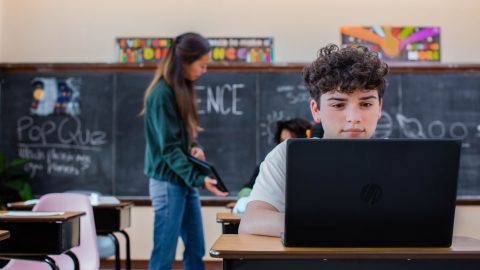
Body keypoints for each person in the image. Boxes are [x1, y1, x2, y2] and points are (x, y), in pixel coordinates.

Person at [238, 44, 389, 237]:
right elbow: (252, 222)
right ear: (316, 110)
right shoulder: (289, 155)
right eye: (338, 104)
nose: (354, 117)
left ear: (379, 107)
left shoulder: (403, 159)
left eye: (366, 104)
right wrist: (339, 225)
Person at [141, 32, 228, 270]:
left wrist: (195, 148)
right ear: (185, 63)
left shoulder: (183, 90)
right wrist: (200, 179)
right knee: (164, 253)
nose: (204, 70)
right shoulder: (161, 94)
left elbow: (186, 137)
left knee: (196, 248)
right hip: (168, 183)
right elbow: (169, 149)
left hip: (183, 180)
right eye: (202, 64)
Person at [233, 118, 312, 213]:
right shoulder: (269, 165)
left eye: (290, 142)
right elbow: (246, 190)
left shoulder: (312, 168)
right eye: (282, 141)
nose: (284, 147)